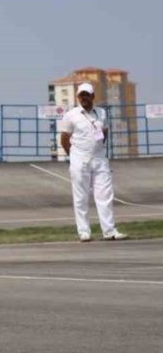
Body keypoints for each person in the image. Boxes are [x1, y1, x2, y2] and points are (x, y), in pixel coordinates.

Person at [58, 83, 128, 242]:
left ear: (92, 96)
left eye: (86, 95)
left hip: (99, 158)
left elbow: (104, 132)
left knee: (105, 194)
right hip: (79, 158)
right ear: (78, 97)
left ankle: (109, 231)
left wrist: (98, 148)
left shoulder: (101, 113)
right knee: (81, 196)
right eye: (81, 95)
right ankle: (84, 231)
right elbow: (64, 139)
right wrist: (73, 156)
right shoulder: (71, 115)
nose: (84, 98)